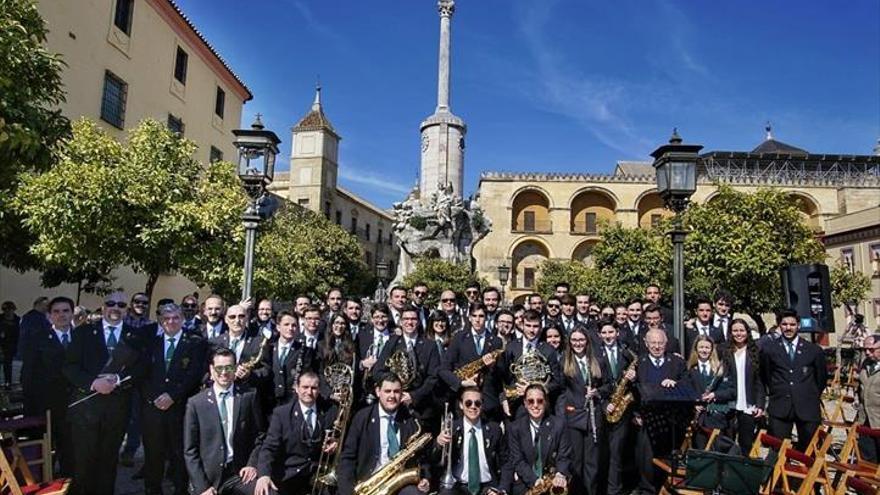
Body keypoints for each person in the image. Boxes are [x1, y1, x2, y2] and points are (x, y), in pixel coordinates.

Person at [64, 291, 145, 495]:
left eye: (120, 304)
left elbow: (142, 369)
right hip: (86, 408)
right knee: (84, 460)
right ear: (103, 307)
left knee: (108, 461)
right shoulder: (83, 332)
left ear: (126, 309)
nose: (115, 308)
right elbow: (69, 367)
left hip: (117, 408)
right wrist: (93, 383)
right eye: (110, 303)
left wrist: (118, 380)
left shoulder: (136, 336)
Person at [140, 302, 208, 495]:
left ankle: (180, 490)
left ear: (182, 319)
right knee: (153, 455)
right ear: (160, 320)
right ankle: (152, 490)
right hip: (153, 409)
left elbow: (194, 374)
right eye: (166, 318)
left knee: (179, 454)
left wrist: (173, 396)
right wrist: (154, 397)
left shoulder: (195, 342)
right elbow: (142, 374)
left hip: (180, 408)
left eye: (176, 318)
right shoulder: (150, 343)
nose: (171, 322)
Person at [185, 348, 265, 495]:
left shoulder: (248, 396)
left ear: (235, 368)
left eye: (228, 367)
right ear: (211, 369)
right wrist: (202, 487)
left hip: (239, 473)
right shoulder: (196, 403)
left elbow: (259, 437)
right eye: (219, 368)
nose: (224, 372)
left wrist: (252, 465)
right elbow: (190, 451)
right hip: (208, 478)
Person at [337, 372, 431, 495]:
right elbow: (347, 458)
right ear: (378, 392)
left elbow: (423, 458)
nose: (392, 396)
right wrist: (348, 491)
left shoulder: (411, 420)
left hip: (400, 483)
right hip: (369, 484)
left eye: (396, 391)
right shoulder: (362, 417)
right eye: (387, 391)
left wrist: (425, 479)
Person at [255, 371, 338, 495]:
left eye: (313, 388)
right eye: (305, 387)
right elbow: (269, 448)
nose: (309, 392)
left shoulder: (330, 411)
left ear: (319, 390)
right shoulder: (281, 414)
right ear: (297, 389)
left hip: (318, 477)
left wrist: (336, 443)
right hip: (289, 478)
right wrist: (264, 475)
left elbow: (338, 437)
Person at [21, 296, 75, 475]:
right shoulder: (38, 339)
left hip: (76, 407)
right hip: (47, 407)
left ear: (72, 313)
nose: (61, 315)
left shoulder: (83, 338)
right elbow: (28, 375)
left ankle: (70, 484)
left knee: (71, 452)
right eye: (56, 311)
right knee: (46, 455)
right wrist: (31, 410)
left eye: (66, 311)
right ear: (49, 316)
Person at [760, 309, 827, 452]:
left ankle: (808, 475)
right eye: (784, 324)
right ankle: (781, 475)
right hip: (780, 407)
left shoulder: (813, 350)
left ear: (798, 325)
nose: (788, 328)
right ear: (779, 326)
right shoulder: (769, 349)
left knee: (810, 451)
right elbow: (766, 375)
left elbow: (820, 379)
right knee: (778, 451)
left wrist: (807, 393)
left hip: (807, 407)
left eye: (792, 324)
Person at [634, 328, 687, 494]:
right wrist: (636, 415)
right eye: (653, 343)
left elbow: (687, 385)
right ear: (646, 344)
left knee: (668, 459)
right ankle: (647, 490)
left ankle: (666, 489)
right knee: (646, 460)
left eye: (660, 343)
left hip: (671, 421)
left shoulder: (677, 362)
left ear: (666, 344)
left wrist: (676, 384)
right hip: (646, 420)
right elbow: (633, 392)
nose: (657, 346)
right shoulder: (639, 363)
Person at [375, 305, 440, 429]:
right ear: (400, 322)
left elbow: (433, 377)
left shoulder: (430, 346)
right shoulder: (392, 343)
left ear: (418, 321)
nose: (409, 322)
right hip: (395, 405)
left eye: (413, 319)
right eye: (406, 319)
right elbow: (378, 371)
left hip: (422, 408)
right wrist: (395, 390)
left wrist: (413, 396)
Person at [557, 327, 605, 495]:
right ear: (570, 342)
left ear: (587, 342)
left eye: (581, 340)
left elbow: (608, 385)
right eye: (574, 340)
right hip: (573, 415)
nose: (578, 343)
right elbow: (561, 391)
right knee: (576, 462)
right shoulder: (564, 361)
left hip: (593, 416)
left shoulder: (597, 360)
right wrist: (563, 415)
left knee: (592, 463)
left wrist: (598, 392)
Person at [502, 384, 571, 495]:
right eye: (530, 401)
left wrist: (560, 473)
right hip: (526, 483)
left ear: (546, 402)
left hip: (552, 482)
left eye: (540, 401)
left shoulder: (559, 424)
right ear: (525, 403)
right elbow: (517, 460)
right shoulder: (515, 428)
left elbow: (564, 455)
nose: (535, 405)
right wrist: (534, 480)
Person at [440, 303, 504, 421]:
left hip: (488, 401)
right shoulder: (459, 338)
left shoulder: (496, 341)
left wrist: (492, 366)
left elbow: (501, 376)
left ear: (486, 318)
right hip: (464, 399)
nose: (477, 320)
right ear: (469, 317)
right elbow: (444, 369)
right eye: (474, 316)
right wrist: (461, 383)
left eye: (481, 316)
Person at [435, 387, 505, 495]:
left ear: (482, 406)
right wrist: (439, 443)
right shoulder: (452, 428)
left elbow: (506, 461)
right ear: (461, 405)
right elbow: (434, 459)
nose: (473, 407)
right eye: (468, 403)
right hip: (458, 486)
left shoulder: (494, 429)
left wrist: (500, 488)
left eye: (477, 403)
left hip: (487, 487)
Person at [596, 320, 636, 495]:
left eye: (610, 332)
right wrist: (606, 404)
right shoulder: (595, 354)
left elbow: (634, 379)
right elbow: (593, 383)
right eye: (604, 333)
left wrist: (633, 376)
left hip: (622, 408)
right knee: (601, 454)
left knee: (617, 454)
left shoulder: (626, 353)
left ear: (617, 332)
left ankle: (614, 490)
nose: (607, 336)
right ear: (599, 335)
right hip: (601, 407)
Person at [254, 311, 317, 411]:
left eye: (294, 325)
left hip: (292, 403)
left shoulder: (305, 351)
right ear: (278, 327)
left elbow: (306, 374)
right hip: (269, 404)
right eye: (286, 324)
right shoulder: (268, 348)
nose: (290, 328)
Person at [685, 335, 734, 448]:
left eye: (707, 347)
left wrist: (714, 394)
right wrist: (694, 403)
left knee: (716, 455)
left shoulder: (720, 369)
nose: (704, 350)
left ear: (712, 350)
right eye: (701, 347)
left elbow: (731, 391)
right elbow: (686, 391)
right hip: (698, 421)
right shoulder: (690, 369)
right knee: (700, 455)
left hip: (716, 418)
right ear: (696, 349)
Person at [724, 318, 765, 452]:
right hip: (730, 403)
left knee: (746, 443)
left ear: (747, 332)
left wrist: (760, 404)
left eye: (741, 330)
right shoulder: (725, 351)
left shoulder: (755, 352)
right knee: (727, 442)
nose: (738, 334)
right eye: (735, 330)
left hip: (748, 404)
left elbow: (759, 381)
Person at [210, 304, 266, 386]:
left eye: (241, 316)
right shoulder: (214, 342)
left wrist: (250, 374)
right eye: (232, 317)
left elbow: (266, 370)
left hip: (246, 392)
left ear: (247, 318)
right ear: (226, 319)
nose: (237, 320)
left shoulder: (259, 342)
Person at [857, 334, 880, 462]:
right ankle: (868, 481)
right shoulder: (865, 364)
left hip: (878, 418)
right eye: (864, 349)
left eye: (871, 349)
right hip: (865, 419)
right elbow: (860, 386)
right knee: (867, 458)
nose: (867, 353)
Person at [0, 301, 20, 388]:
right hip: (2, 344)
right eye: (6, 310)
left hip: (12, 345)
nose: (8, 312)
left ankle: (8, 382)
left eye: (10, 309)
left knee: (8, 364)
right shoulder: (0, 319)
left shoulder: (17, 320)